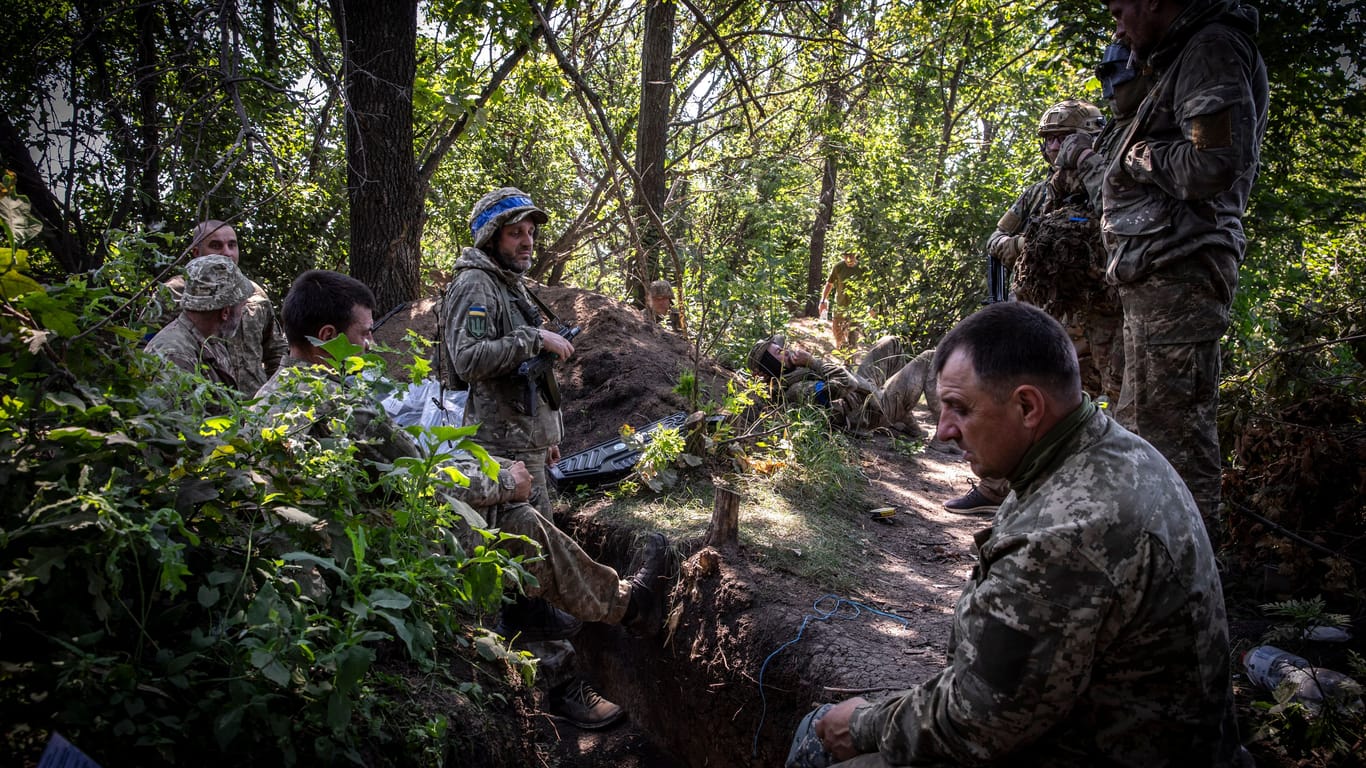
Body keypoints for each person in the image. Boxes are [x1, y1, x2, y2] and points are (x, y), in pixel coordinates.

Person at [797, 302, 1240, 766]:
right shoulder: (1109, 450)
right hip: (1095, 730)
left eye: (959, 409)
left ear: (1028, 406)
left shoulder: (1068, 536)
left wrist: (865, 724)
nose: (944, 431)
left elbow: (977, 723)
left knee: (820, 742)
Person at [257, 269, 669, 730]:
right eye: (365, 333)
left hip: (308, 565)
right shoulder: (346, 405)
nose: (372, 343)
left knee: (504, 509)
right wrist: (503, 482)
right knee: (515, 520)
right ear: (327, 337)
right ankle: (627, 607)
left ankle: (567, 616)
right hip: (358, 564)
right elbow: (420, 477)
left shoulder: (267, 398)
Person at [1092, 0, 1269, 526]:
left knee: (1172, 444)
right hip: (1160, 271)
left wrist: (1137, 157)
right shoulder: (1180, 55)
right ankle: (1157, 578)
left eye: (1121, 8)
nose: (1117, 24)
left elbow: (1213, 163)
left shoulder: (1211, 47)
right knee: (1144, 431)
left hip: (1182, 268)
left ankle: (1187, 589)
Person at [948, 99, 1106, 516]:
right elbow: (995, 240)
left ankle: (1086, 503)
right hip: (1040, 322)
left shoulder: (1107, 189)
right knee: (1017, 403)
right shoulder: (1036, 196)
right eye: (1049, 139)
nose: (1055, 147)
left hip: (1099, 321)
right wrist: (1022, 247)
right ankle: (997, 490)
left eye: (1064, 138)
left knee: (1100, 410)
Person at [442, 188, 571, 515]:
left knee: (539, 547)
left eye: (530, 232)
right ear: (490, 238)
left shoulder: (507, 282)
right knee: (533, 553)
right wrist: (536, 339)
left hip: (526, 444)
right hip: (505, 450)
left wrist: (545, 437)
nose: (527, 241)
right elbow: (468, 359)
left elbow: (526, 370)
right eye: (516, 234)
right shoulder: (476, 284)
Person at [170, 220, 290, 395]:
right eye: (216, 245)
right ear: (196, 252)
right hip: (201, 408)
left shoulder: (254, 293)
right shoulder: (174, 293)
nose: (226, 253)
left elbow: (276, 351)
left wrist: (274, 396)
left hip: (253, 409)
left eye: (232, 245)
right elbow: (146, 351)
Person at [144, 254, 253, 388]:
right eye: (242, 307)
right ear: (225, 312)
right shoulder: (175, 356)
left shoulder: (211, 341)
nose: (242, 313)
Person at [747, 333, 884, 434]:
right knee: (906, 374)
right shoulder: (797, 390)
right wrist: (813, 362)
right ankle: (896, 419)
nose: (787, 351)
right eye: (779, 352)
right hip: (870, 409)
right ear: (772, 366)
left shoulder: (789, 374)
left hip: (865, 388)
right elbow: (848, 382)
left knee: (889, 342)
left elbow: (780, 337)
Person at [818, 251, 862, 348]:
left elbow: (868, 288)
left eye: (851, 256)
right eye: (846, 256)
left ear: (855, 255)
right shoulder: (838, 267)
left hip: (855, 309)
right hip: (840, 307)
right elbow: (829, 284)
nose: (848, 259)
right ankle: (842, 354)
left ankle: (849, 361)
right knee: (838, 335)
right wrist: (823, 300)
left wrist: (870, 306)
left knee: (852, 338)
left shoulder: (862, 269)